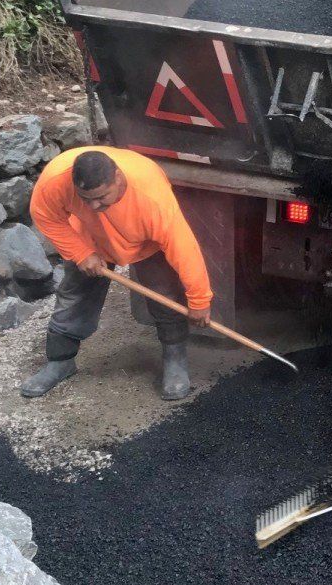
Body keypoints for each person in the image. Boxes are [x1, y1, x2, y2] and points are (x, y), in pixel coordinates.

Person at [22, 147, 212, 402]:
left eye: (101, 197)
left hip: (146, 244)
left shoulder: (151, 196)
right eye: (85, 198)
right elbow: (45, 216)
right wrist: (80, 252)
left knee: (164, 296)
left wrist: (199, 301)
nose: (93, 205)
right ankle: (60, 361)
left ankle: (174, 360)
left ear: (118, 178)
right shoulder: (56, 180)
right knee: (73, 298)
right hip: (90, 242)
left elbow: (184, 249)